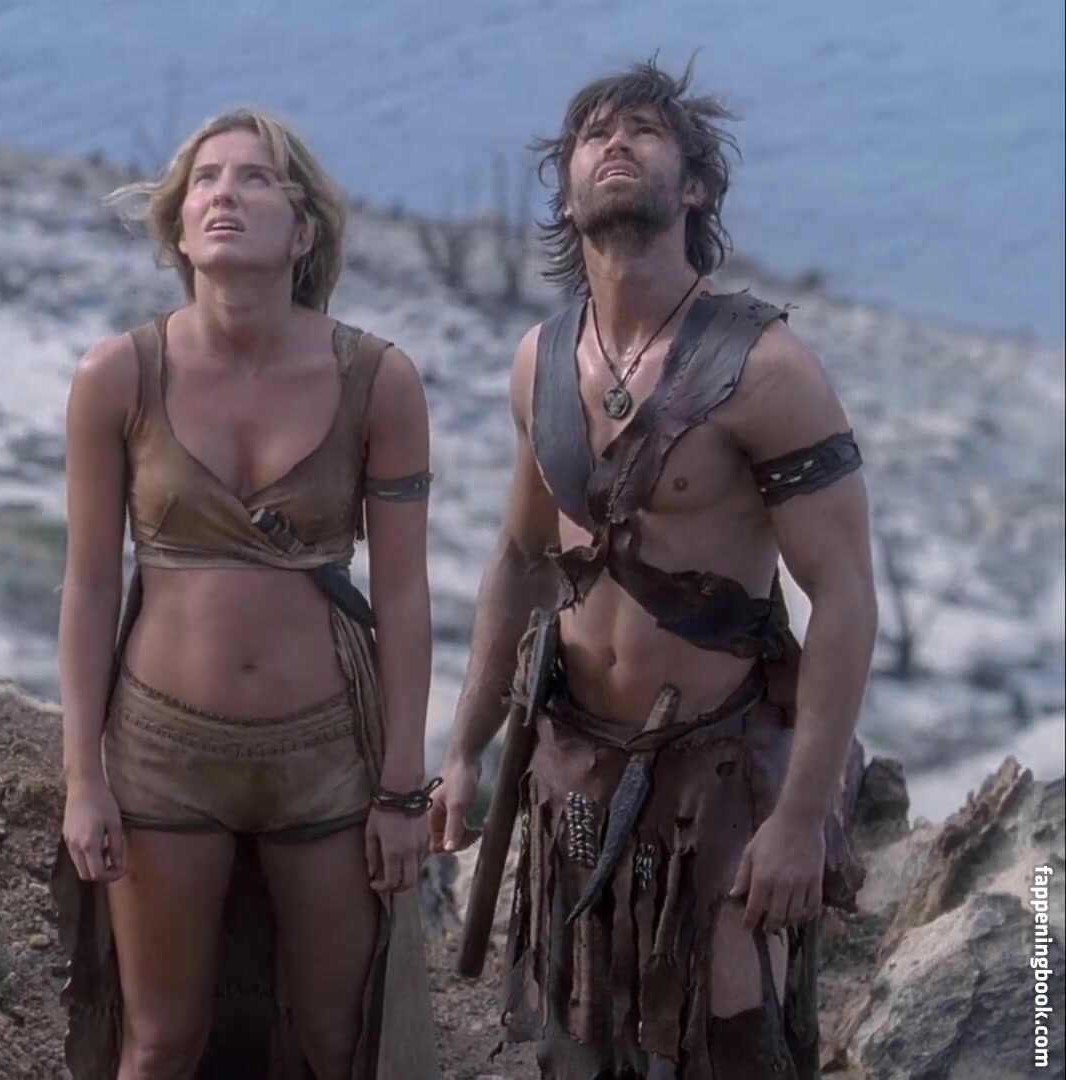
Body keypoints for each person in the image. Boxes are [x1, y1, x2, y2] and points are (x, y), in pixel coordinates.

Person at [430, 58, 876, 1079]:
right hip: (575, 760)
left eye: (643, 131)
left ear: (697, 187)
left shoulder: (768, 370)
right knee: (582, 1030)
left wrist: (802, 817)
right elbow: (520, 557)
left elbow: (846, 598)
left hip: (721, 770)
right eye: (594, 134)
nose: (615, 144)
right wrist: (463, 750)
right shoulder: (541, 361)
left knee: (728, 1036)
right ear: (568, 190)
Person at [49, 106, 440, 1079]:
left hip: (326, 752)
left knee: (335, 1040)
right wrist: (83, 778)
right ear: (180, 230)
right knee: (158, 1042)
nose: (225, 193)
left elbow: (405, 598)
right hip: (161, 750)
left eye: (255, 177)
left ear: (303, 233)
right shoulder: (117, 376)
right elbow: (89, 585)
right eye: (205, 181)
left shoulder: (378, 380)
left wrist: (402, 790)